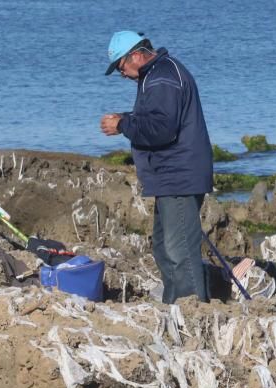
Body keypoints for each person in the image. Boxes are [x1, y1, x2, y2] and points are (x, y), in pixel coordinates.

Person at [100, 30, 213, 304]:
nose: (122, 74)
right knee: (164, 247)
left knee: (179, 249)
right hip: (170, 176)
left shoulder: (161, 76)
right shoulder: (157, 74)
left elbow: (162, 129)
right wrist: (127, 119)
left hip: (178, 175)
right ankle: (174, 305)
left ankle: (192, 311)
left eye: (121, 67)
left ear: (136, 55)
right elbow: (157, 119)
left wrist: (123, 125)